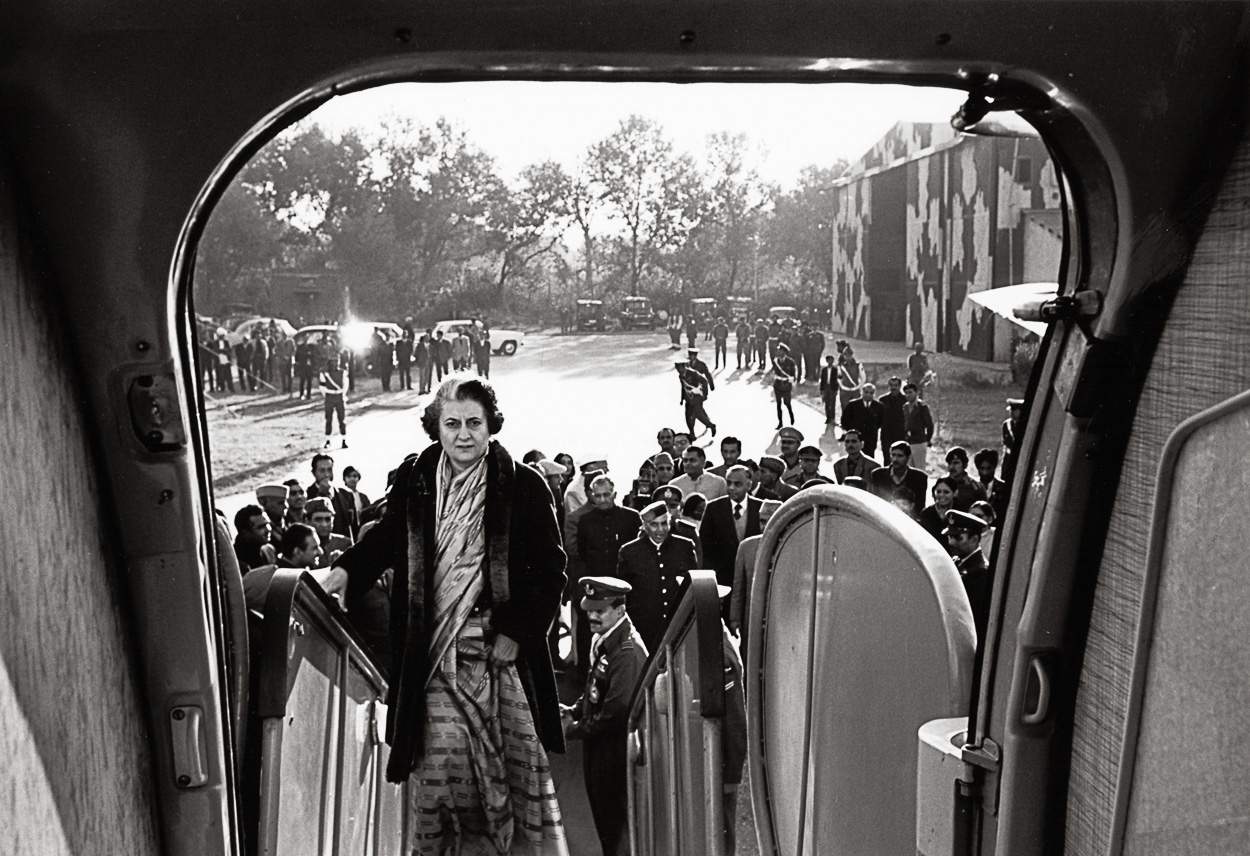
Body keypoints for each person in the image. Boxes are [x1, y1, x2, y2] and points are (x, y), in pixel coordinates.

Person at [323, 376, 569, 855]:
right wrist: (345, 571)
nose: (463, 435)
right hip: (431, 656)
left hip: (499, 658)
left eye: (473, 423)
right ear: (435, 427)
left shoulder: (523, 484)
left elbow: (552, 570)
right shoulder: (416, 480)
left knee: (506, 775)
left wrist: (517, 632)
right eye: (451, 423)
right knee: (442, 770)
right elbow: (386, 537)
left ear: (491, 425)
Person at [561, 577, 648, 856]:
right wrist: (574, 710)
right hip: (601, 748)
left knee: (617, 831)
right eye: (590, 610)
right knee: (606, 827)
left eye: (600, 611)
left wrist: (574, 729)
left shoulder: (626, 651)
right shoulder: (607, 640)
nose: (593, 616)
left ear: (620, 610)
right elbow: (595, 691)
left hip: (614, 752)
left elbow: (616, 713)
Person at [615, 501, 699, 652]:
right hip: (645, 629)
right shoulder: (629, 552)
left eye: (664, 524)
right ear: (645, 526)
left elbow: (694, 586)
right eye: (654, 525)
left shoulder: (684, 547)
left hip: (678, 626)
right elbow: (623, 596)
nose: (660, 530)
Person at [700, 466, 762, 620]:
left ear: (749, 484)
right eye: (729, 483)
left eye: (737, 484)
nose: (732, 488)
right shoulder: (714, 508)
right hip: (723, 581)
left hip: (752, 582)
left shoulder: (761, 507)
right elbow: (705, 548)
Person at [727, 498, 782, 638]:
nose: (765, 527)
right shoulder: (747, 547)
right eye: (762, 521)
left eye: (771, 522)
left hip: (780, 621)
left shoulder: (792, 547)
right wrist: (735, 618)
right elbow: (738, 588)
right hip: (752, 621)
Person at [577, 475, 643, 582]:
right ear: (593, 497)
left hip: (626, 578)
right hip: (598, 579)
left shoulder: (631, 517)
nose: (603, 500)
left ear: (614, 494)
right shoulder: (585, 521)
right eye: (598, 496)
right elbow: (583, 552)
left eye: (606, 494)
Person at [944, 509, 991, 640]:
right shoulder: (957, 561)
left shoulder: (981, 572)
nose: (951, 542)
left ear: (974, 539)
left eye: (958, 537)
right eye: (950, 536)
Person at [869, 441, 928, 519]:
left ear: (908, 457)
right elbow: (875, 502)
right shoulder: (878, 475)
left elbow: (919, 508)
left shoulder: (919, 478)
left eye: (900, 456)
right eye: (893, 455)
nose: (895, 459)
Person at [306, 452, 356, 537]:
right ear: (313, 473)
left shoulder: (346, 495)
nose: (326, 474)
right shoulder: (307, 494)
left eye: (329, 470)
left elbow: (354, 527)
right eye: (322, 470)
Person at [305, 497, 353, 569]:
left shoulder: (345, 543)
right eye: (318, 520)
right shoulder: (303, 546)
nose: (324, 525)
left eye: (328, 519)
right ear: (307, 521)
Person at [842, 382, 884, 459]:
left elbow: (880, 421)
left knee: (869, 459)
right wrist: (851, 431)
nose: (868, 395)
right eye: (866, 392)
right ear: (862, 392)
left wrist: (873, 428)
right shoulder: (852, 405)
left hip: (871, 438)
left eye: (871, 393)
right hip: (856, 438)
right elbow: (844, 420)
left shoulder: (878, 406)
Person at [675, 360, 716, 438]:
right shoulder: (680, 376)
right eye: (677, 368)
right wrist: (682, 398)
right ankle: (692, 433)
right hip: (688, 399)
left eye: (679, 368)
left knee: (699, 415)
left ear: (683, 367)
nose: (678, 370)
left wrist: (705, 394)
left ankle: (711, 426)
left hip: (697, 398)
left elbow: (704, 381)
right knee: (688, 416)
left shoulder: (693, 373)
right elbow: (683, 387)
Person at [233, 504, 276, 571]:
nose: (268, 529)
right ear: (246, 532)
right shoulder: (237, 561)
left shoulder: (269, 550)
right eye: (261, 527)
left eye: (268, 524)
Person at [944, 446, 988, 512]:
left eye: (956, 463)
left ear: (965, 465)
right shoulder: (942, 483)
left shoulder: (976, 486)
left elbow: (983, 511)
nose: (951, 467)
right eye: (949, 463)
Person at [903, 382, 935, 470]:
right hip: (908, 440)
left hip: (919, 440)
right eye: (906, 393)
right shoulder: (905, 407)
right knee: (909, 468)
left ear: (917, 393)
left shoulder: (922, 407)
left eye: (910, 392)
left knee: (919, 468)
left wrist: (927, 439)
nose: (908, 395)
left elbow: (929, 425)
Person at [319, 353, 348, 449]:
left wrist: (342, 394)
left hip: (339, 396)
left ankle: (344, 440)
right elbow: (322, 387)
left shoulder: (343, 372)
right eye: (332, 362)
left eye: (336, 361)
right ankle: (328, 440)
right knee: (329, 420)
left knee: (342, 420)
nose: (334, 364)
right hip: (330, 397)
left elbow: (345, 385)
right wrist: (329, 394)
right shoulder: (324, 373)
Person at [918, 477, 959, 546]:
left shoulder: (960, 512)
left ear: (955, 493)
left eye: (946, 492)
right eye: (938, 491)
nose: (941, 495)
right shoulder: (926, 513)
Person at [974, 448, 1009, 521]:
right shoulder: (972, 487)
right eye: (982, 468)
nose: (985, 472)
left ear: (994, 468)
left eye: (988, 468)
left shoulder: (1004, 488)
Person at [878, 376, 907, 453]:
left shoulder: (905, 400)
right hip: (886, 434)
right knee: (887, 458)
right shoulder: (883, 400)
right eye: (891, 385)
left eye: (896, 385)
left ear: (900, 386)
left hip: (901, 433)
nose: (893, 387)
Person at [772, 342, 798, 428]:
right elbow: (774, 372)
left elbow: (793, 375)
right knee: (778, 404)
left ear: (784, 352)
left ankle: (791, 415)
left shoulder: (790, 362)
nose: (779, 352)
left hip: (786, 386)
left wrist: (792, 380)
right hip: (778, 385)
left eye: (780, 350)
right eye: (779, 350)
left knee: (787, 403)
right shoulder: (776, 361)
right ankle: (780, 422)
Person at [341, 465, 370, 540]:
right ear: (344, 478)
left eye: (354, 476)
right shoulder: (341, 495)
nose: (352, 479)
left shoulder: (363, 497)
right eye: (349, 476)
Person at [1001, 397, 1025, 487]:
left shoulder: (1025, 425)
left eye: (1014, 410)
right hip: (1009, 458)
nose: (1011, 413)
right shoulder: (1006, 425)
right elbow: (1006, 446)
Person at [837, 344, 862, 411]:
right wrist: (842, 386)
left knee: (857, 409)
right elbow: (839, 377)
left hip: (855, 389)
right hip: (845, 390)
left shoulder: (857, 365)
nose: (847, 357)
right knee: (845, 408)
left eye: (849, 355)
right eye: (846, 356)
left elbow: (863, 377)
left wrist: (859, 386)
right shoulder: (841, 366)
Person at [818, 354, 838, 423]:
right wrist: (821, 389)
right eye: (829, 360)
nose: (830, 362)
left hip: (832, 388)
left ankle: (832, 418)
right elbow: (822, 380)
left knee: (832, 403)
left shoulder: (835, 370)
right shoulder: (824, 370)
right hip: (826, 387)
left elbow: (837, 381)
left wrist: (836, 389)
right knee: (827, 402)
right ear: (827, 361)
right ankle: (828, 417)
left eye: (831, 360)